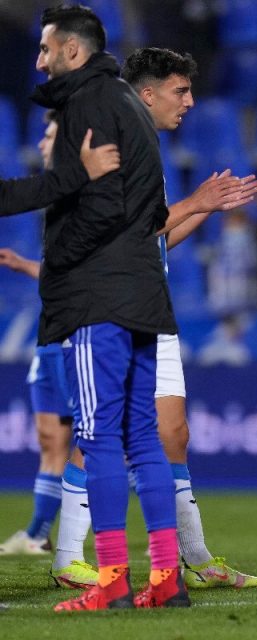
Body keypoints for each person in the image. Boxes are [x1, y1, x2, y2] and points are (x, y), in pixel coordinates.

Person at [30, 4, 184, 611]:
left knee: (96, 437)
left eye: (46, 50)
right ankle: (166, 578)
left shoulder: (87, 105)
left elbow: (102, 206)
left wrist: (58, 260)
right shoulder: (126, 102)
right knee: (141, 435)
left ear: (72, 50)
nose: (39, 61)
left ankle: (113, 578)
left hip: (100, 296)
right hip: (143, 290)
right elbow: (150, 211)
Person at [122, 47, 257, 590]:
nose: (191, 101)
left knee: (174, 434)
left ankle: (197, 559)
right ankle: (71, 556)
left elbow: (154, 241)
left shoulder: (149, 146)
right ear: (147, 92)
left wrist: (202, 207)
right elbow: (128, 232)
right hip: (118, 310)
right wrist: (195, 199)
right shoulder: (121, 142)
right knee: (99, 441)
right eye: (180, 91)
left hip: (152, 307)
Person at [0, 116, 77, 559]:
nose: (41, 142)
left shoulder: (76, 195)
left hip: (71, 335)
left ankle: (84, 534)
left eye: (48, 135)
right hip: (49, 334)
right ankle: (38, 533)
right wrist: (25, 266)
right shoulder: (56, 198)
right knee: (50, 439)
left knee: (89, 439)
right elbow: (59, 271)